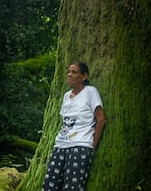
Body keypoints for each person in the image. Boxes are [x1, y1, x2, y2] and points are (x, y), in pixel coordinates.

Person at [42, 61, 106, 191]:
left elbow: (101, 119)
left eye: (74, 72)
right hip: (60, 145)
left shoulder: (90, 92)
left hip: (80, 146)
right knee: (49, 185)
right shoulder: (66, 96)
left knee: (72, 187)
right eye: (69, 72)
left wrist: (92, 145)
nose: (69, 75)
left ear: (84, 77)